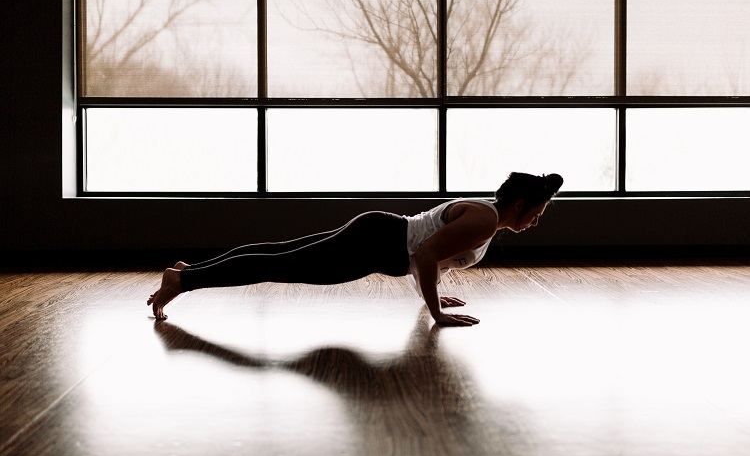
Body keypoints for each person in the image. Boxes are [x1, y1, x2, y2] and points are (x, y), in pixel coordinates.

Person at [148, 172, 563, 326]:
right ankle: (184, 280)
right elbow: (424, 256)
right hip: (375, 243)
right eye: (538, 213)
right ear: (521, 204)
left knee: (281, 255)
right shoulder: (486, 219)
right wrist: (436, 314)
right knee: (280, 264)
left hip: (377, 236)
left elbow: (426, 255)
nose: (535, 221)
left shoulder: (484, 215)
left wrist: (431, 292)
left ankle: (189, 271)